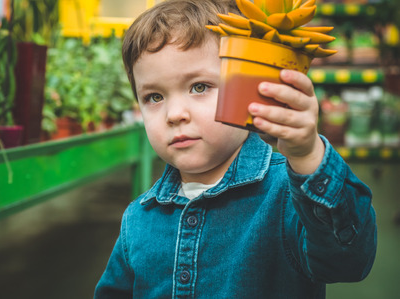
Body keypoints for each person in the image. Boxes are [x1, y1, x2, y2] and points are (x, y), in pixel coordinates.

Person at [94, 0, 377, 298]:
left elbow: (349, 262)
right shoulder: (138, 218)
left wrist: (308, 156)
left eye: (199, 87)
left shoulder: (286, 198)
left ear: (246, 87)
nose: (174, 114)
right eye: (153, 96)